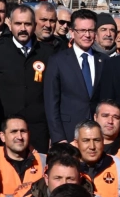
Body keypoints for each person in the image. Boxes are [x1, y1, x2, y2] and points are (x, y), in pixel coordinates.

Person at [0, 2, 54, 147]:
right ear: (10, 24)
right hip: (6, 130)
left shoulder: (48, 53)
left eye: (27, 24)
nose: (23, 29)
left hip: (39, 131)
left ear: (34, 25)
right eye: (18, 23)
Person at [42, 9, 107, 145]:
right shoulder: (58, 61)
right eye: (82, 30)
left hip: (97, 135)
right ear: (72, 32)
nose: (87, 35)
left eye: (91, 30)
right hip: (68, 134)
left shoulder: (104, 60)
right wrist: (59, 138)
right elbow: (51, 103)